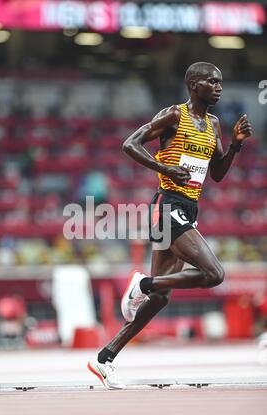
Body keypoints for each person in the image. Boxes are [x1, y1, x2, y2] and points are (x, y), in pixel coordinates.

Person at [88, 62, 253, 389]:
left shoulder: (213, 124)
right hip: (168, 205)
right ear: (193, 85)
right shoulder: (173, 116)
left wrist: (234, 144)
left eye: (221, 82)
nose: (218, 87)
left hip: (188, 208)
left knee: (161, 297)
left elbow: (217, 173)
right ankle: (143, 284)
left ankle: (104, 358)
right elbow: (130, 144)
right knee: (214, 274)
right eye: (211, 81)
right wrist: (163, 165)